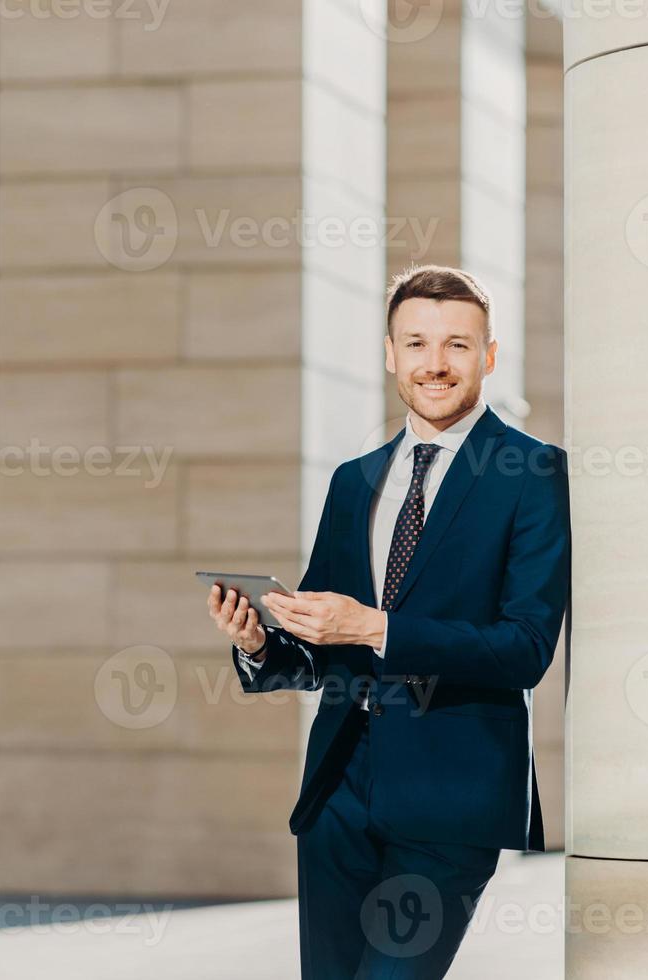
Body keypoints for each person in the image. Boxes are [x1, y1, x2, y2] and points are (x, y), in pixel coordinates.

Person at [206, 265, 571, 978]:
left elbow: (524, 648)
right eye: (417, 343)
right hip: (341, 782)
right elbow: (322, 643)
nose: (434, 364)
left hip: (451, 789)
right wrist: (259, 644)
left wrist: (375, 628)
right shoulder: (355, 480)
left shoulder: (531, 473)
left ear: (489, 356)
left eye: (457, 346)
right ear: (389, 354)